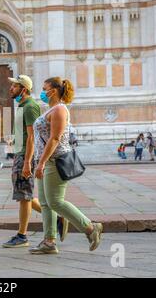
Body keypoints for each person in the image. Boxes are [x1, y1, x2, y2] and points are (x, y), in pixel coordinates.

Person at [31, 77, 103, 254]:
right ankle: (49, 241)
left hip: (55, 161)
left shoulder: (60, 110)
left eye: (44, 88)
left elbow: (55, 139)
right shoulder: (51, 110)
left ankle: (90, 227)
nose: (42, 92)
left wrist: (41, 163)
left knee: (56, 202)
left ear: (53, 91)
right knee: (46, 203)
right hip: (45, 161)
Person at [2, 75, 68, 249]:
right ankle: (57, 218)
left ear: (23, 89)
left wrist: (27, 162)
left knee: (24, 196)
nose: (11, 89)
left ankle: (22, 235)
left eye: (14, 86)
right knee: (24, 195)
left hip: (25, 156)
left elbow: (32, 136)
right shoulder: (22, 106)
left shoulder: (30, 107)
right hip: (20, 153)